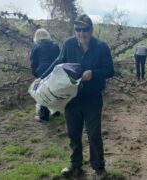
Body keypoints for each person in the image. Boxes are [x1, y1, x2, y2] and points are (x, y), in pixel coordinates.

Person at [38, 14, 114, 179]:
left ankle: (99, 167)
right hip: (71, 97)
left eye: (85, 30)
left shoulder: (101, 47)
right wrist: (42, 77)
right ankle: (75, 164)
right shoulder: (69, 44)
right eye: (78, 30)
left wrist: (93, 73)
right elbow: (57, 62)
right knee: (73, 133)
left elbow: (110, 70)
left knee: (93, 134)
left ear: (91, 30)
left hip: (93, 98)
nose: (81, 33)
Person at [30, 28, 60, 123]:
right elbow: (60, 58)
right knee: (53, 91)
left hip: (42, 70)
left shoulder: (36, 46)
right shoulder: (55, 45)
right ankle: (56, 112)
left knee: (42, 93)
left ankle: (44, 117)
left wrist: (35, 73)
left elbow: (33, 62)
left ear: (36, 37)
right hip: (54, 70)